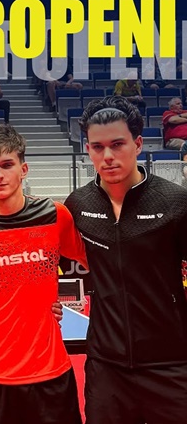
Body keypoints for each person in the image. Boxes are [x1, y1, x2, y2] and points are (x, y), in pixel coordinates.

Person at [0, 123, 88, 424]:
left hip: (51, 373)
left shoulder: (54, 215)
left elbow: (97, 261)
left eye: (7, 165)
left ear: (23, 169)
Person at [64, 95, 187, 424]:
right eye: (98, 147)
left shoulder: (175, 202)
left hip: (171, 364)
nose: (107, 156)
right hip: (107, 367)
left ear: (138, 144)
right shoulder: (78, 205)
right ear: (88, 149)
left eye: (117, 144)